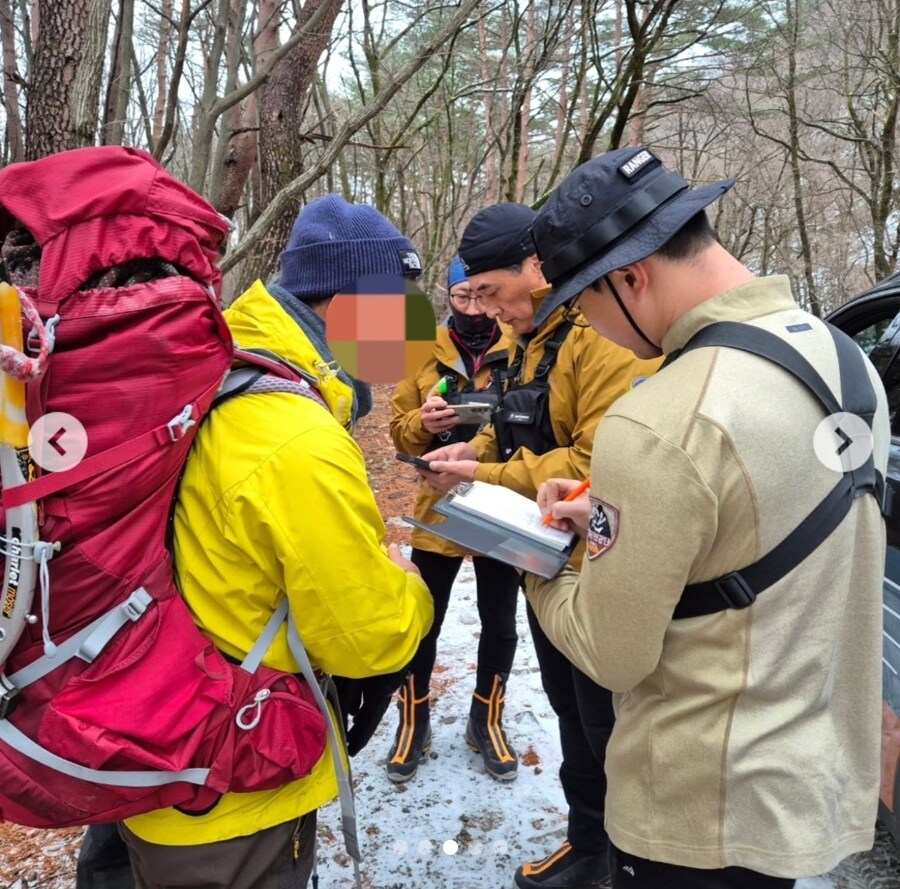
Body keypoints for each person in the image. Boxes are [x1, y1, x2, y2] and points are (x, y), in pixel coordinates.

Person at [525, 146, 889, 888]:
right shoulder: (846, 358)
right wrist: (622, 516)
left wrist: (534, 560)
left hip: (692, 807)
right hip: (799, 779)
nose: (591, 325)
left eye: (585, 303)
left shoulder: (660, 417)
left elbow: (609, 653)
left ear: (632, 276)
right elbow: (750, 524)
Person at [115, 194, 435, 889]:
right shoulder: (295, 438)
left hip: (143, 735)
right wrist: (408, 587)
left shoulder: (221, 365)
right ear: (349, 305)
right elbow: (367, 639)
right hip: (228, 788)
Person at [425, 203, 661, 889]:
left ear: (536, 267)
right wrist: (474, 450)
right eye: (473, 297)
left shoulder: (602, 336)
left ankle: (627, 859)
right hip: (544, 561)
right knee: (570, 710)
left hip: (601, 573)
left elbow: (598, 461)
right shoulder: (529, 337)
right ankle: (589, 844)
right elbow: (513, 423)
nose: (487, 311)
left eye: (491, 292)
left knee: (608, 724)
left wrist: (484, 475)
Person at [387, 256, 521, 783]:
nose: (474, 309)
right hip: (438, 506)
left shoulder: (521, 345)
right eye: (462, 297)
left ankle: (485, 720)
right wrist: (422, 423)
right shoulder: (422, 349)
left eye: (481, 297)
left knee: (500, 622)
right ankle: (413, 720)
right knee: (425, 619)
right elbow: (399, 430)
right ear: (448, 296)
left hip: (500, 503)